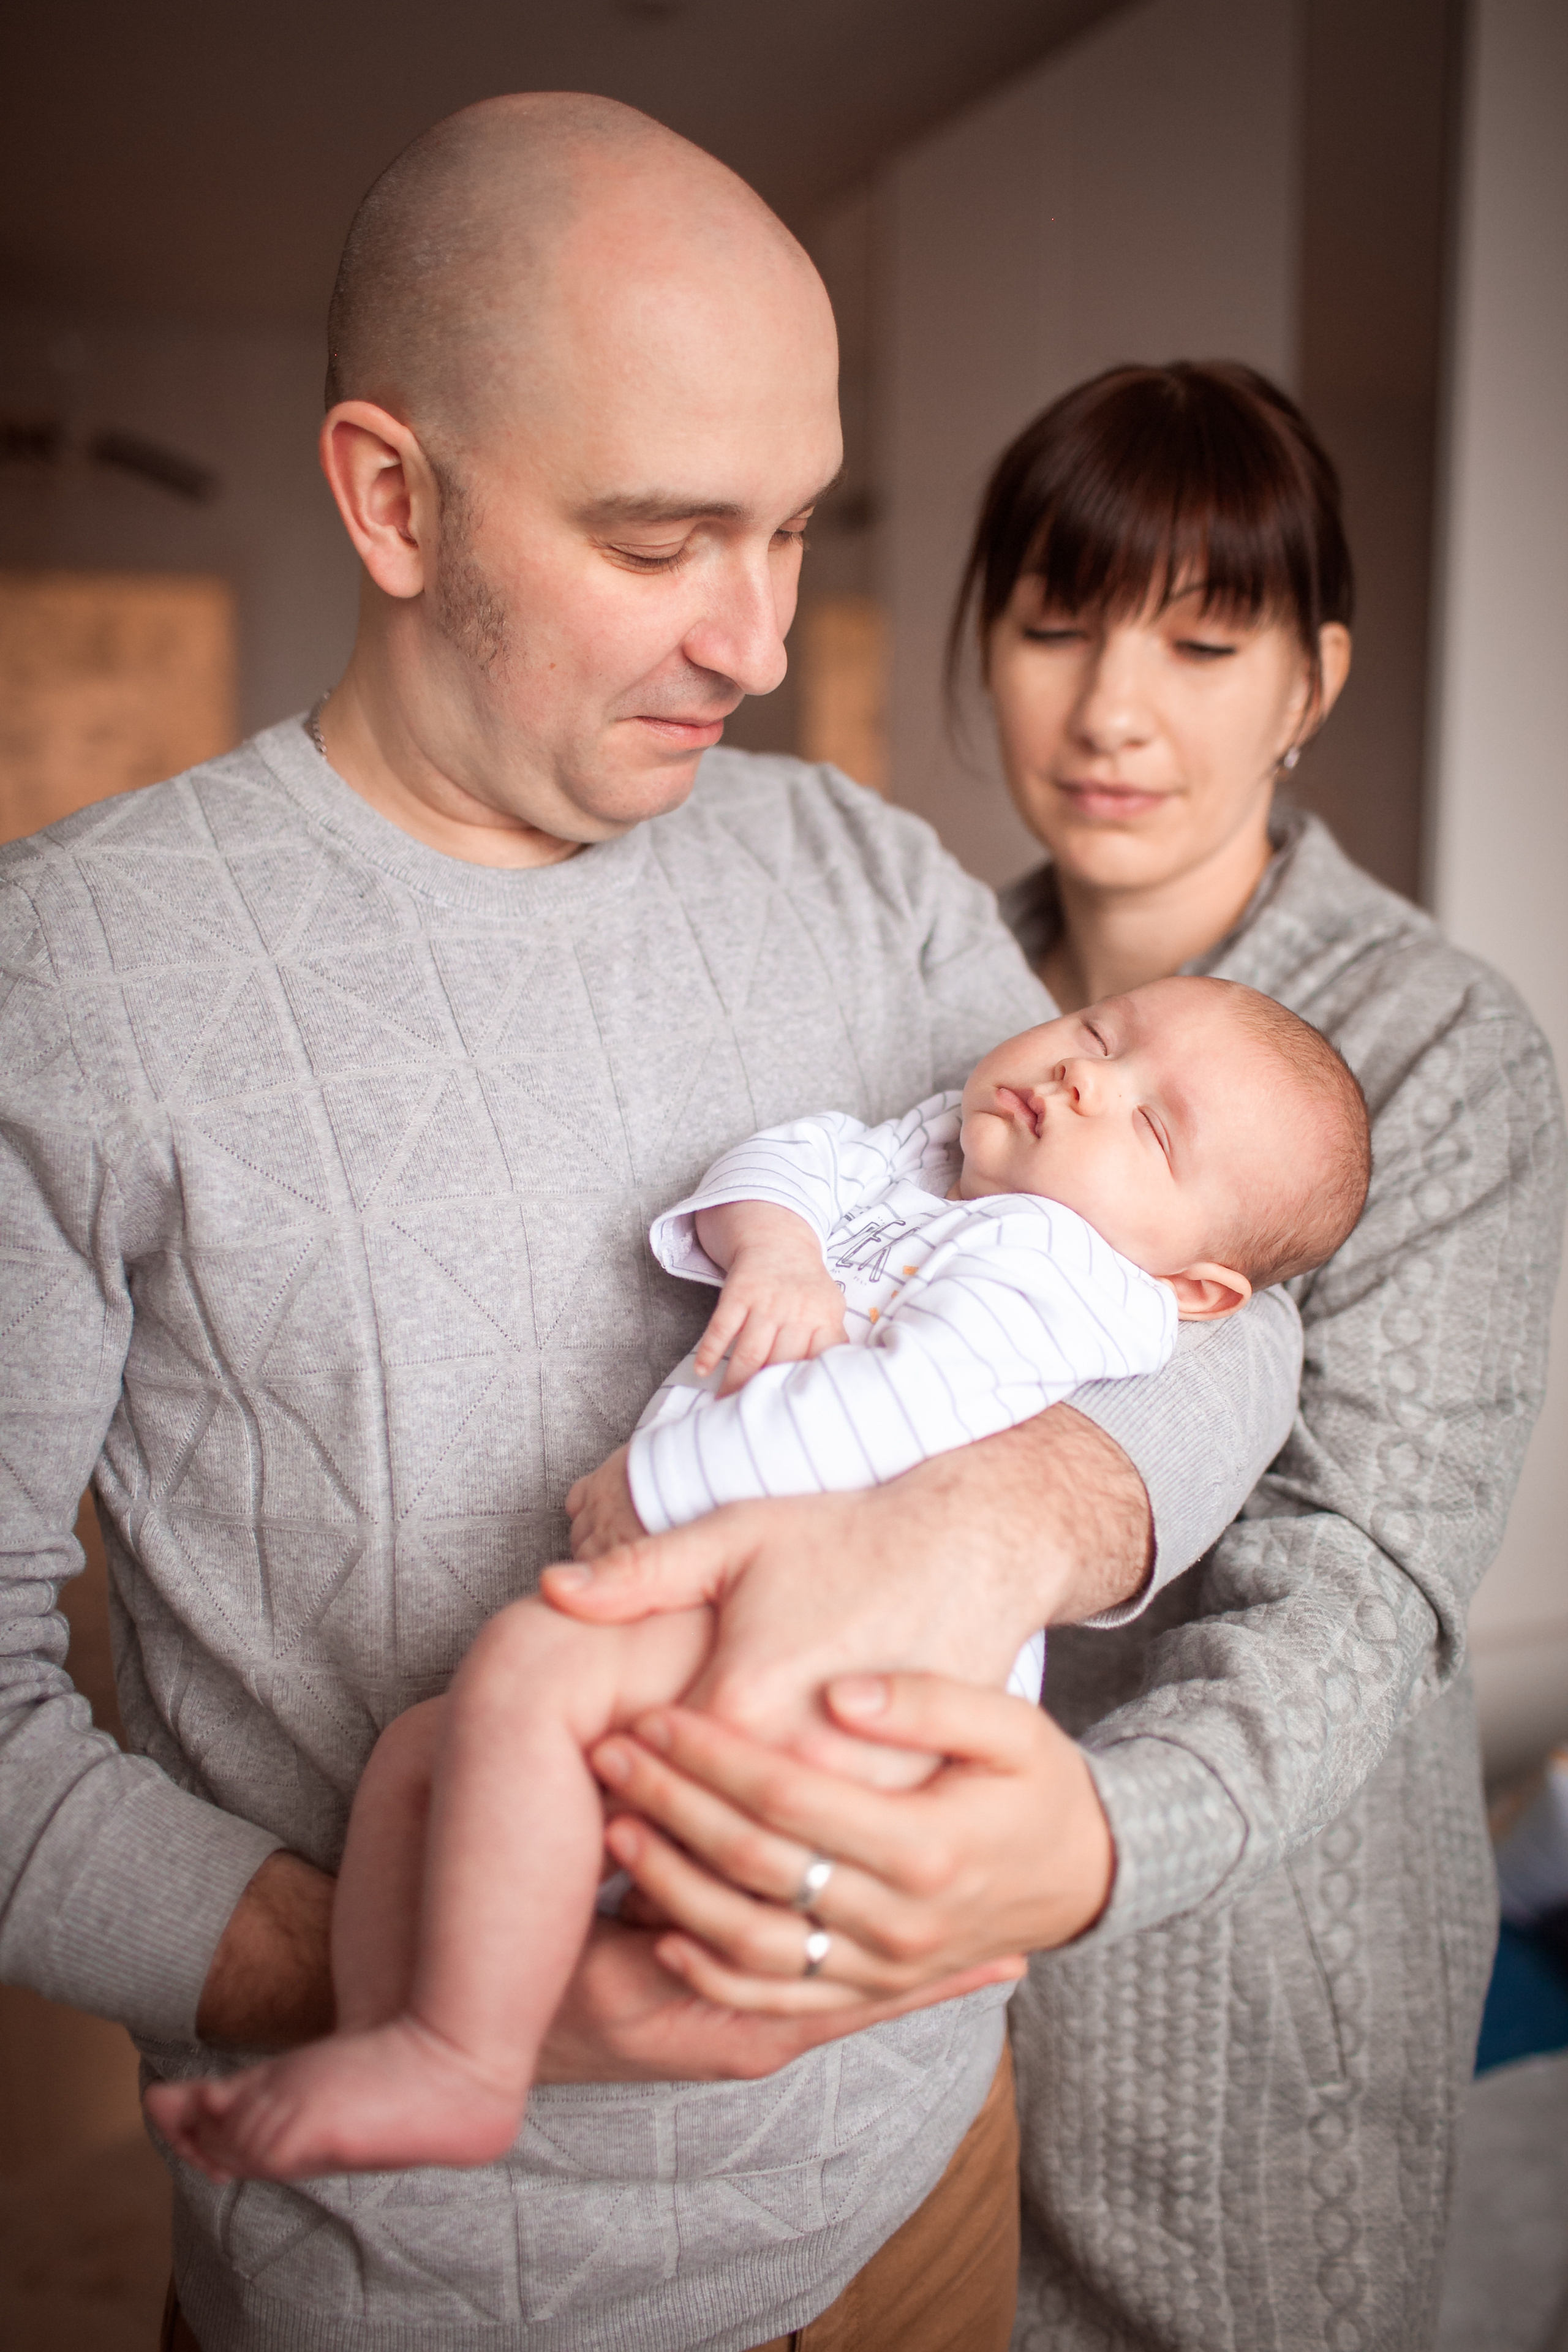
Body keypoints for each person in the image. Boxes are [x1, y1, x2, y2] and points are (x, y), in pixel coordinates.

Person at [0, 107, 1303, 2352]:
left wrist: (993, 1529)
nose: (763, 638)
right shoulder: (82, 974)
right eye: (666, 540)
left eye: (792, 531)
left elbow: (1227, 1309)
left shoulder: (861, 872)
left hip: (916, 2192)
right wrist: (418, 1972)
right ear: (393, 498)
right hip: (437, 2292)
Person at [555, 363, 1565, 2348]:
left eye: (1205, 642)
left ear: (1313, 680)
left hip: (1242, 1960)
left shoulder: (1438, 1055)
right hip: (881, 1988)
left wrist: (1095, 1839)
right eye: (1052, 625)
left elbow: (1365, 1570)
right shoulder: (931, 998)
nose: (1113, 710)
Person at [147, 977, 1371, 2187]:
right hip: (726, 1619)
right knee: (427, 1751)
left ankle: (457, 2056)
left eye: (1148, 1124)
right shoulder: (936, 1146)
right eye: (1097, 1029)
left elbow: (885, 1416)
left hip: (835, 1660)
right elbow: (794, 1157)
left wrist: (660, 1485)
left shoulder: (1062, 1276)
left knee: (526, 1667)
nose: (1082, 1075)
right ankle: (402, 2046)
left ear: (1194, 1286)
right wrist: (777, 1248)